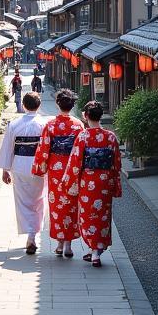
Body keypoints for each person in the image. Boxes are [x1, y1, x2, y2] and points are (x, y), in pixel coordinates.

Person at [64, 100, 121, 267]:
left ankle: (94, 250)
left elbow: (75, 163)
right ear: (101, 116)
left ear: (86, 116)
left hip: (88, 182)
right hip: (104, 182)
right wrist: (115, 184)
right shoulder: (110, 137)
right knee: (102, 215)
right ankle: (96, 251)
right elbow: (116, 163)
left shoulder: (83, 137)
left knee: (88, 215)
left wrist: (68, 184)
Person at [32, 88, 84, 258]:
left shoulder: (51, 125)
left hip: (56, 169)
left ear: (57, 104)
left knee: (57, 206)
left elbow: (44, 149)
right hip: (73, 169)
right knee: (71, 205)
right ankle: (68, 244)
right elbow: (83, 150)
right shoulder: (78, 125)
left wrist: (39, 168)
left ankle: (60, 244)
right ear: (72, 105)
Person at [0, 90, 47, 254]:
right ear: (39, 106)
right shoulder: (44, 125)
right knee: (39, 200)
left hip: (20, 165)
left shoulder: (14, 125)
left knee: (23, 202)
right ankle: (33, 235)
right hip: (39, 166)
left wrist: (5, 169)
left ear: (23, 106)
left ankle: (30, 236)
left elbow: (8, 148)